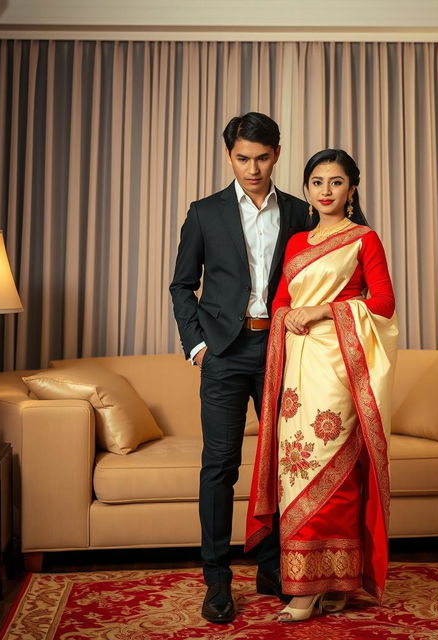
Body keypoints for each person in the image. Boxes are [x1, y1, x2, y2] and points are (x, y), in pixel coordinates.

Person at [245, 149, 398, 622]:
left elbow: (385, 304)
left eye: (336, 182)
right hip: (295, 370)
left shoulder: (363, 240)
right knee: (295, 472)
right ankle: (321, 583)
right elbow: (283, 303)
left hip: (339, 367)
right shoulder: (295, 243)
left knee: (334, 472)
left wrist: (325, 310)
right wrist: (291, 314)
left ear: (352, 189)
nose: (325, 191)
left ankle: (327, 585)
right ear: (308, 189)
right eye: (316, 182)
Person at [170, 112, 309, 624]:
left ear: (277, 154)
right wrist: (198, 346)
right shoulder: (204, 213)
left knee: (278, 464)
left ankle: (271, 568)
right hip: (224, 354)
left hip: (282, 354)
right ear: (229, 155)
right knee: (220, 467)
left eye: (263, 158)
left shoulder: (299, 212)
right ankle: (218, 580)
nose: (253, 168)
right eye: (243, 158)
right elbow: (182, 284)